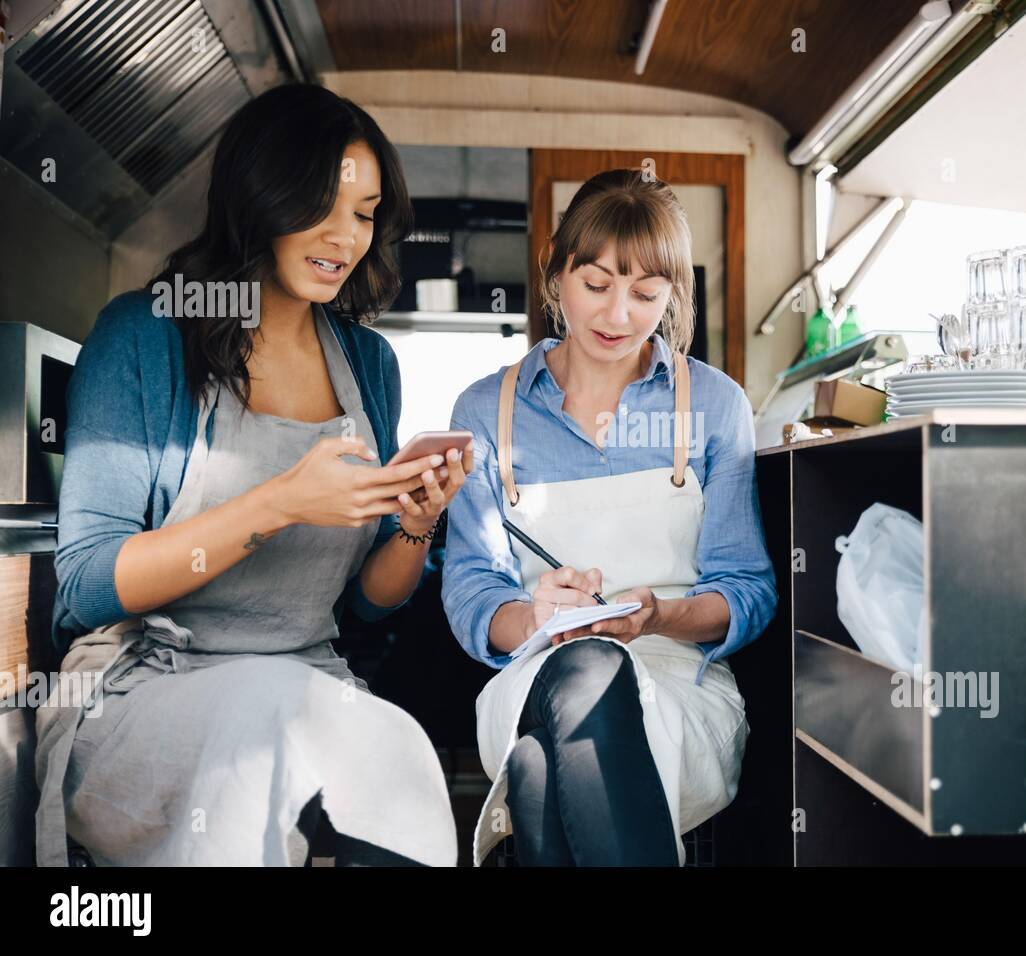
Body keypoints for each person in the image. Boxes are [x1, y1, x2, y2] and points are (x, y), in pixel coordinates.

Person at [33, 84, 466, 866]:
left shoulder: (369, 365)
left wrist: (415, 519)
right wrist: (281, 502)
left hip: (310, 680)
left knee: (404, 760)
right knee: (266, 724)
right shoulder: (145, 335)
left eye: (366, 213)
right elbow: (88, 585)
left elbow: (368, 604)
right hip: (142, 690)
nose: (346, 235)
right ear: (259, 196)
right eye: (321, 205)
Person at [442, 169, 777, 866]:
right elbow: (472, 589)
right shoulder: (486, 412)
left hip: (677, 684)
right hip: (534, 672)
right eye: (595, 285)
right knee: (582, 666)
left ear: (673, 296)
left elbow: (747, 590)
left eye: (646, 293)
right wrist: (537, 618)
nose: (618, 315)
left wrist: (654, 615)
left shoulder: (714, 406)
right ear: (556, 274)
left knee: (535, 776)